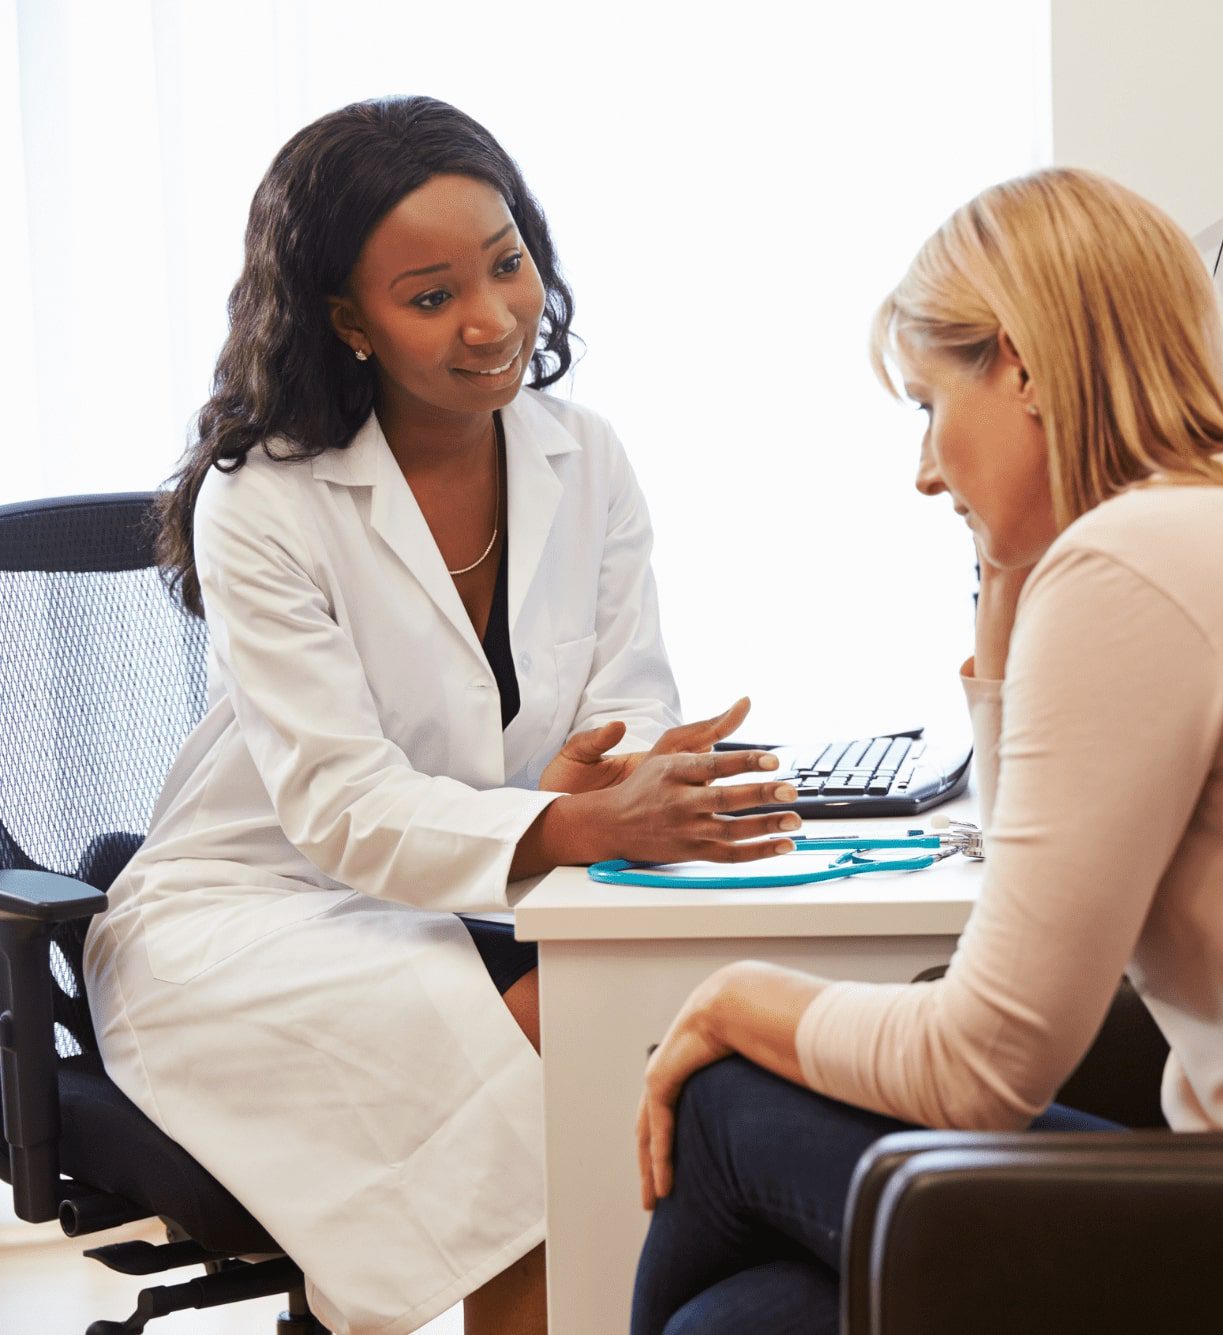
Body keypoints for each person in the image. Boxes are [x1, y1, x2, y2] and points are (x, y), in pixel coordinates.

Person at [626, 167, 1223, 1335]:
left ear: (1022, 364)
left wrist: (733, 996)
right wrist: (1004, 601)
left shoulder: (1139, 559)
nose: (924, 471)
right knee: (747, 1317)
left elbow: (977, 1071)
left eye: (929, 407)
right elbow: (1026, 851)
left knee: (730, 1097)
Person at [81, 96, 802, 1335]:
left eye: (508, 263)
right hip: (256, 917)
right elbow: (340, 808)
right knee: (544, 1051)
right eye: (430, 297)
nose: (492, 319)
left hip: (478, 893)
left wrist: (602, 780)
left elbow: (627, 693)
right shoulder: (265, 504)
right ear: (346, 319)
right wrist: (562, 826)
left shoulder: (587, 456)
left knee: (605, 1022)